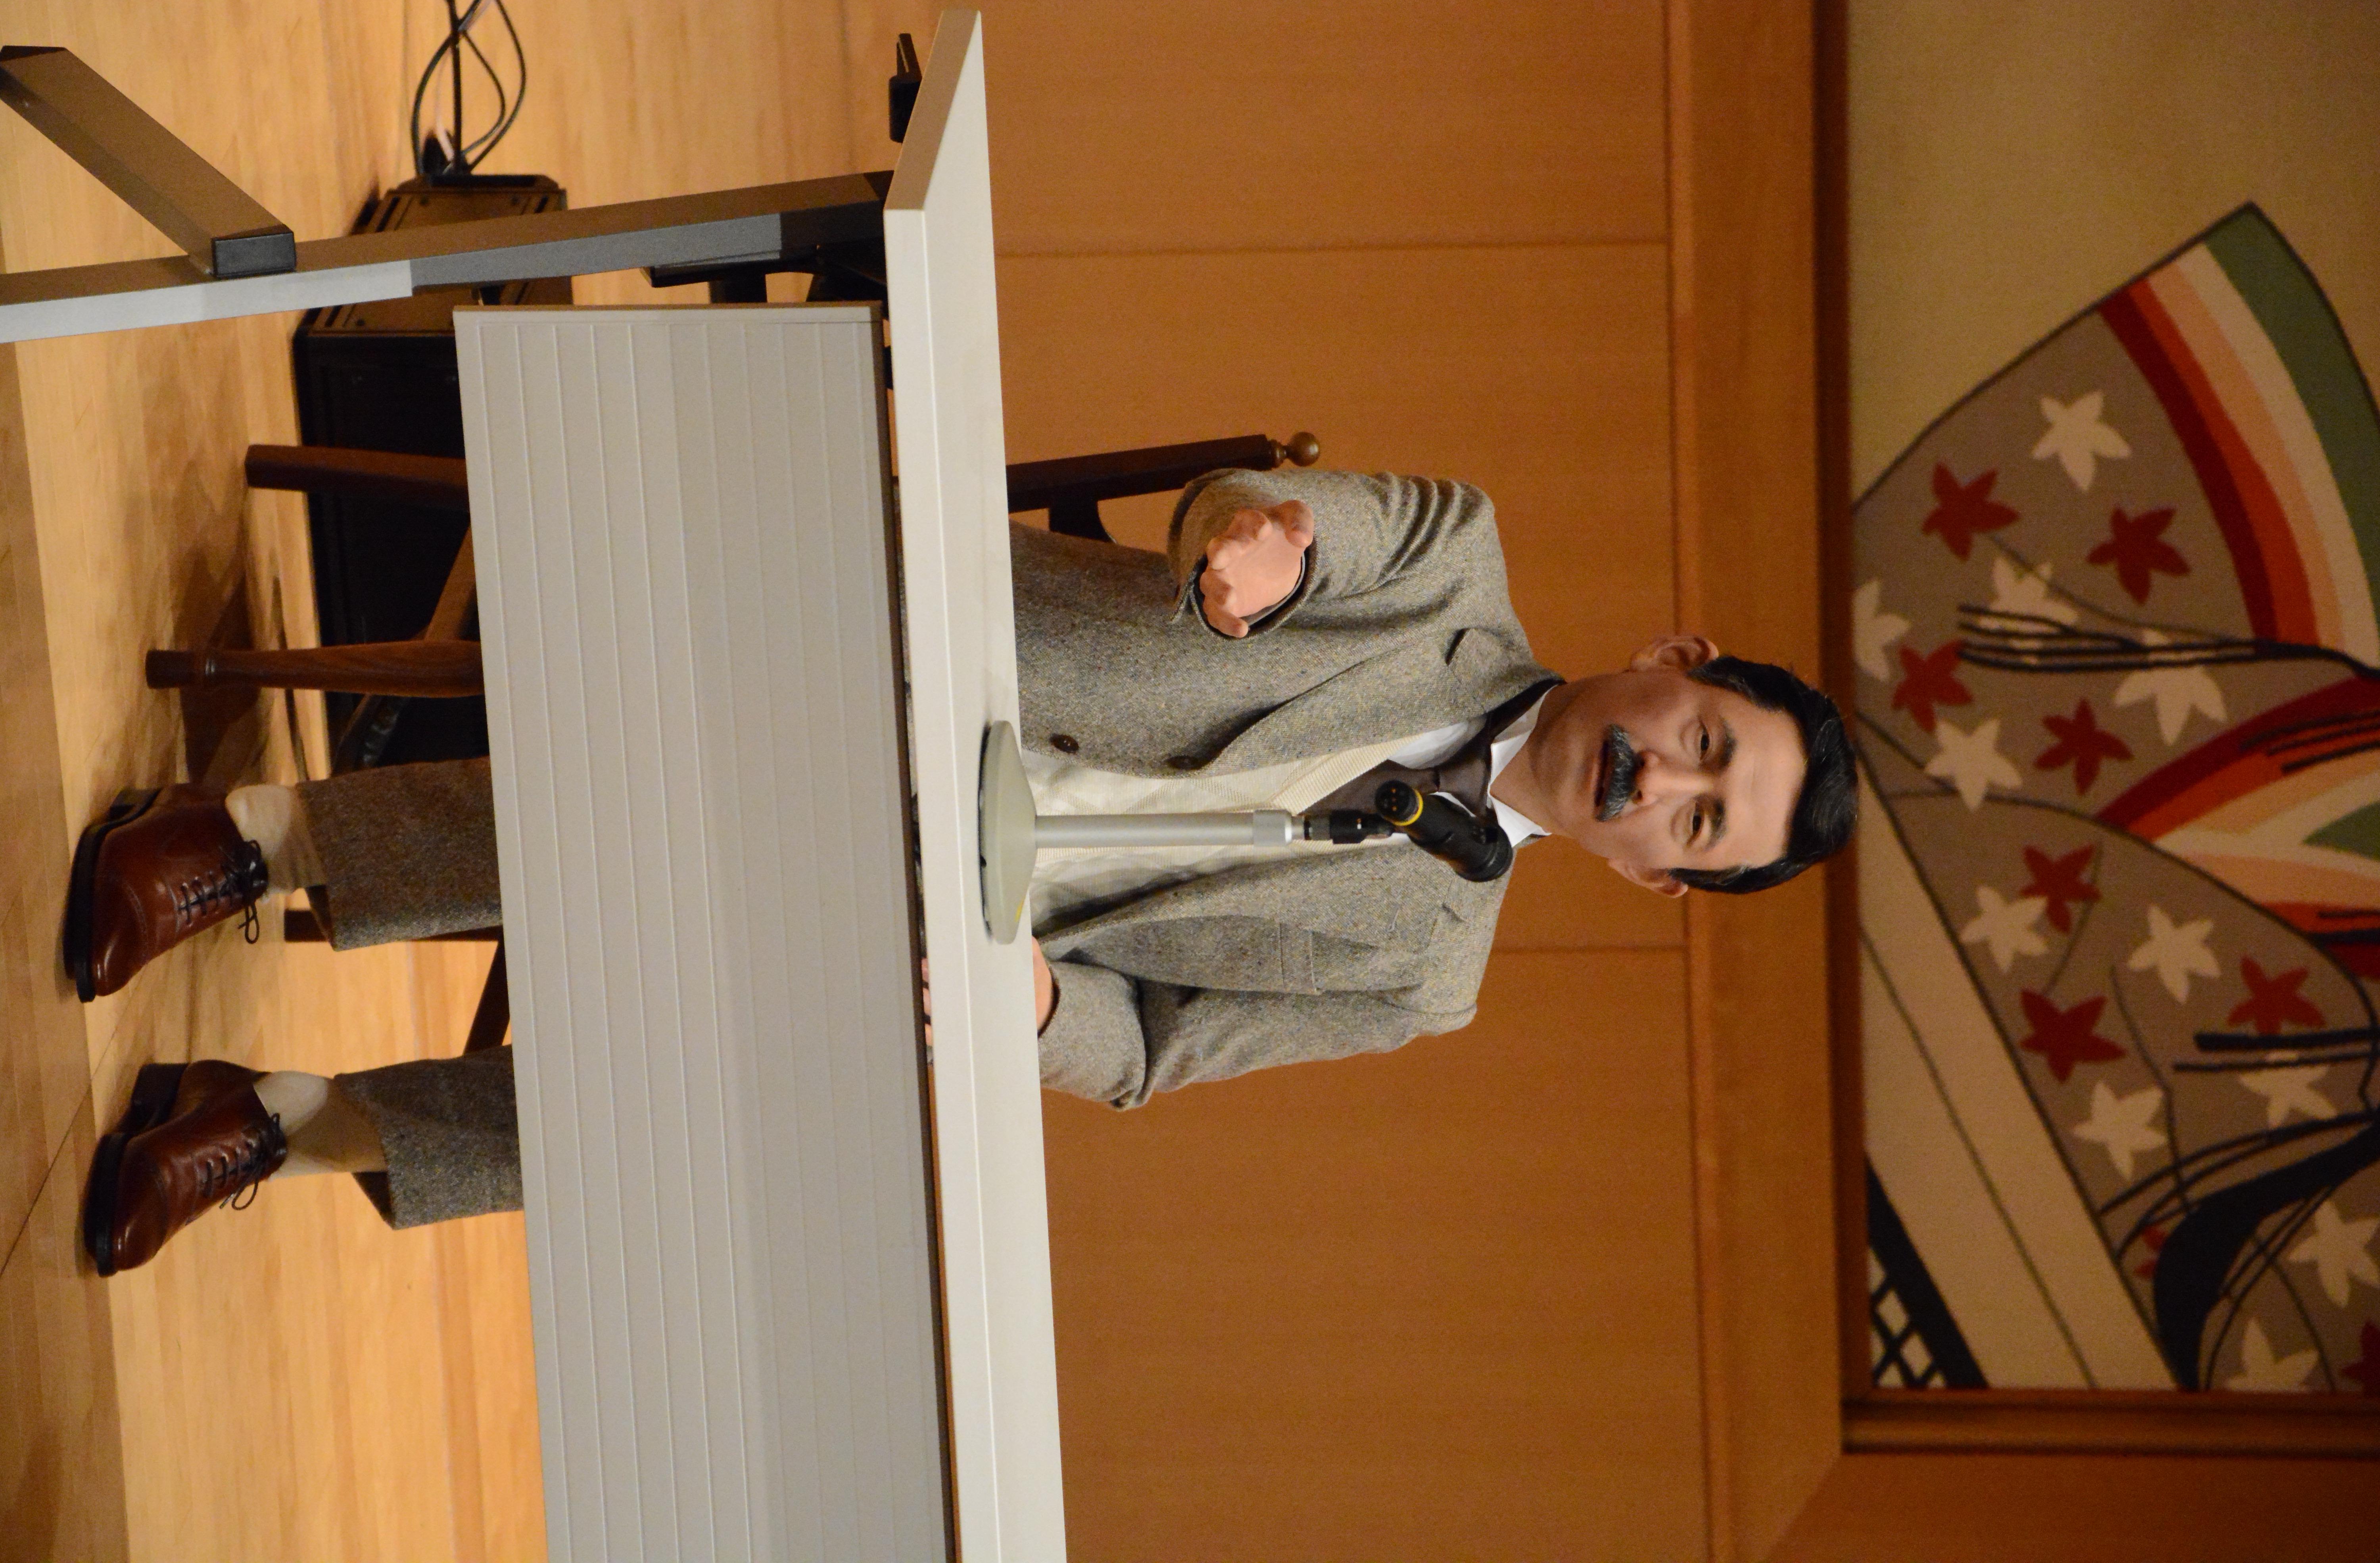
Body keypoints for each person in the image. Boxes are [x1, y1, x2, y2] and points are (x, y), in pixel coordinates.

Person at [75, 468, 1854, 1273]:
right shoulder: (1458, 565)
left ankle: (282, 1120)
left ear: (1659, 879)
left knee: (743, 1120)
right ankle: (246, 843)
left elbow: (1158, 1050)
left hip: (961, 922)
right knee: (716, 793)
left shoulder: (1427, 979)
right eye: (1708, 740)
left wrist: (1042, 1005)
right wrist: (1266, 549)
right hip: (927, 657)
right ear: (1676, 658)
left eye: (1702, 820)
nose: (1670, 781)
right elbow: (1295, 519)